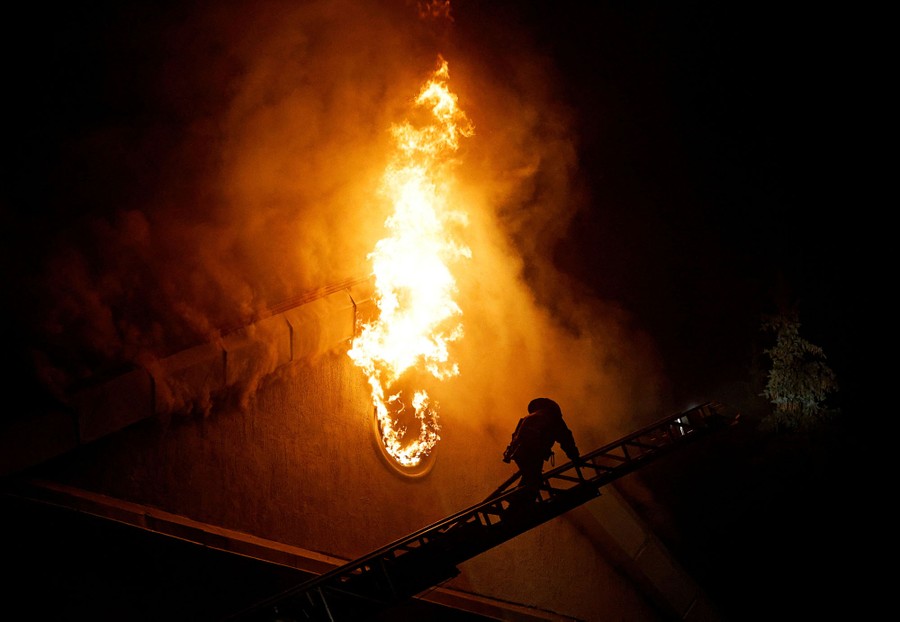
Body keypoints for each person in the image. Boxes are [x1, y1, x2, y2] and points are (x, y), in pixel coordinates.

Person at [502, 397, 580, 504]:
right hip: (534, 451)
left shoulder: (528, 417)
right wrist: (574, 456)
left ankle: (518, 501)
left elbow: (516, 437)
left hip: (519, 452)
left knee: (530, 477)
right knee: (534, 480)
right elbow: (566, 438)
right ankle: (520, 503)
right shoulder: (552, 417)